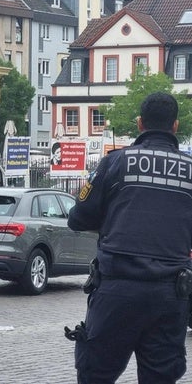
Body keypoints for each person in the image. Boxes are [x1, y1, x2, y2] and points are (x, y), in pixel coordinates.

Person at [66, 92, 192, 383]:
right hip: (170, 294)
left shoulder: (115, 164)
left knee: (95, 374)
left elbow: (78, 218)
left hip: (116, 291)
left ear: (139, 123)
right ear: (175, 126)